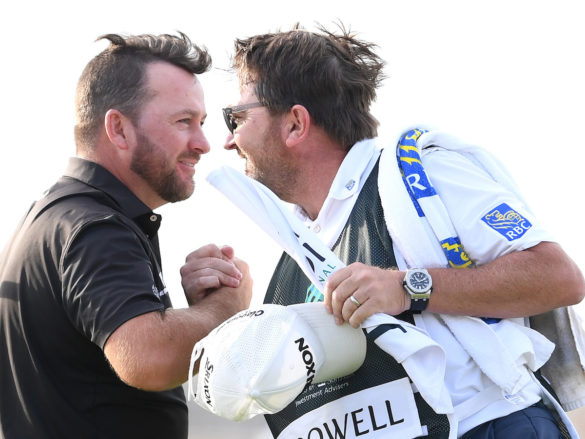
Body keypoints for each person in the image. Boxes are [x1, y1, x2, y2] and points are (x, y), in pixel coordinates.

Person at [221, 24, 585, 438]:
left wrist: (407, 288)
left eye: (235, 117)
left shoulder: (419, 171)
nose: (228, 141)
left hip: (491, 424)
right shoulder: (300, 243)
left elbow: (558, 277)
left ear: (295, 125)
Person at [0, 32, 251, 439]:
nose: (203, 144)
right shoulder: (95, 227)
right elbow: (147, 356)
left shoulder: (54, 217)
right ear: (118, 128)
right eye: (183, 121)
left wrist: (190, 313)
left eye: (202, 123)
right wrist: (227, 307)